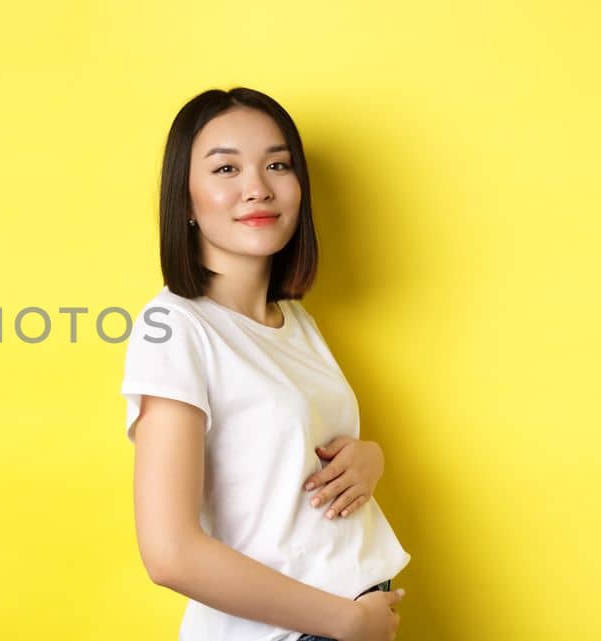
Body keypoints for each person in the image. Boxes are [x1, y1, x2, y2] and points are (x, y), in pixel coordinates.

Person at [121, 87, 411, 641]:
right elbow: (169, 552)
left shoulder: (294, 322)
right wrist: (345, 621)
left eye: (277, 164)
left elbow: (287, 469)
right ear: (184, 200)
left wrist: (368, 459)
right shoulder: (175, 327)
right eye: (225, 168)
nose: (257, 188)